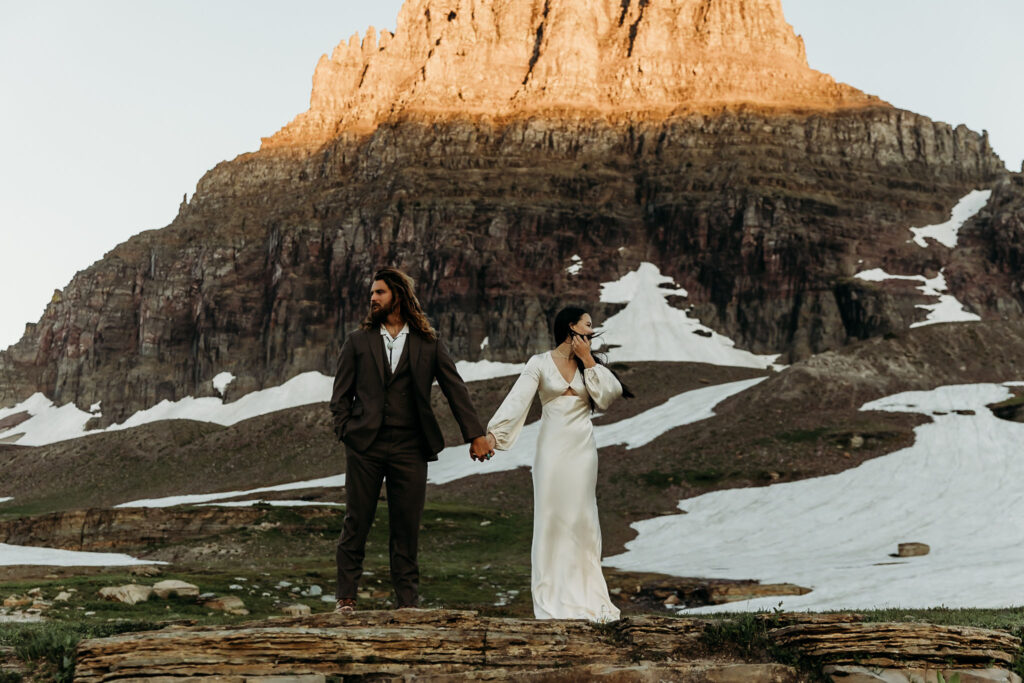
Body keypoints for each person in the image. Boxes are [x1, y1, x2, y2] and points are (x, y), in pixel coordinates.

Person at [330, 267, 494, 613]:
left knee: (406, 526)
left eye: (380, 293)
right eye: (372, 293)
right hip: (365, 446)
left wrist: (475, 435)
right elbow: (340, 396)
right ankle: (346, 597)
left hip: (411, 447)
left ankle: (407, 603)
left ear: (398, 297)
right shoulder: (358, 342)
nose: (372, 299)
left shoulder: (429, 344)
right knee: (357, 520)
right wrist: (347, 430)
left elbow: (455, 390)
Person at [480, 307, 633, 622]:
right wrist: (493, 438)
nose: (592, 331)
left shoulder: (589, 366)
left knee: (581, 520)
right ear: (571, 326)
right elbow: (517, 400)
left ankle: (588, 597)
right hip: (550, 452)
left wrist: (589, 360)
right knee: (551, 520)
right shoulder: (539, 363)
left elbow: (607, 396)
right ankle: (552, 599)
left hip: (582, 452)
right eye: (587, 325)